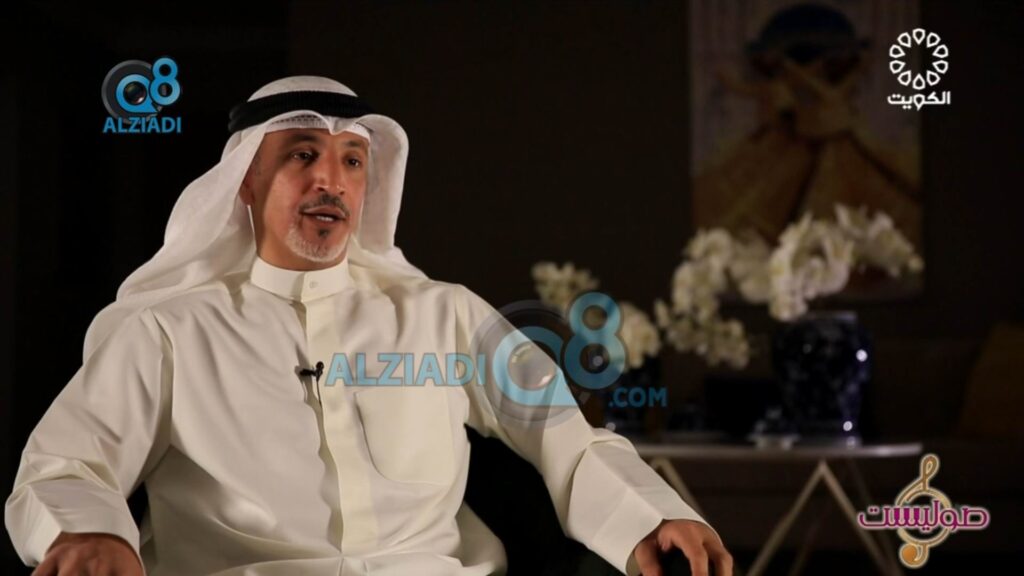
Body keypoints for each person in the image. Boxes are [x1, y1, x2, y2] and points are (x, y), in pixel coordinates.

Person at [5, 76, 733, 576]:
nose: (332, 180)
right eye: (302, 155)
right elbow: (67, 466)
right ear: (246, 183)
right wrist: (91, 531)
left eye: (353, 161)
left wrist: (650, 517)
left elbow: (567, 439)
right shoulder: (168, 332)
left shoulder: (443, 315)